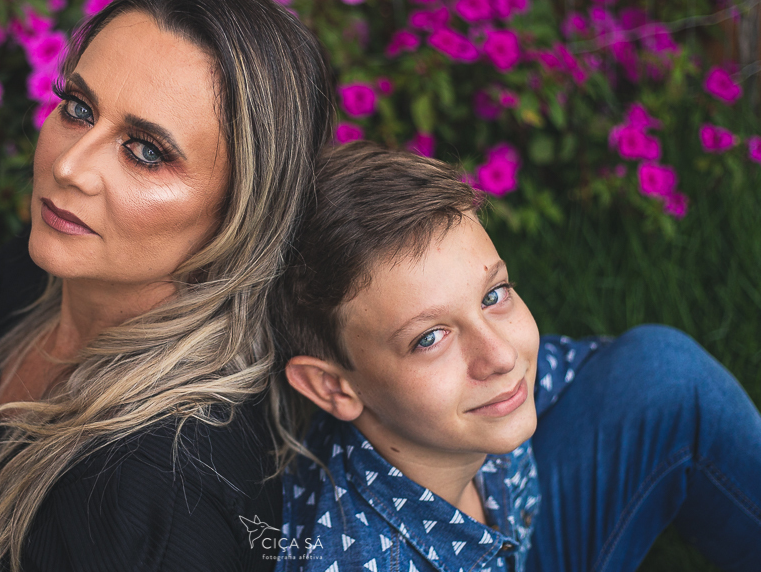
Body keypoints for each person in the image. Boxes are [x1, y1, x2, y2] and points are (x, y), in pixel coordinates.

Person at [0, 0, 336, 572]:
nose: (69, 166)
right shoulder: (48, 268)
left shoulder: (165, 489)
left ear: (244, 210)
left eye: (146, 151)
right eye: (79, 109)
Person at [270, 142, 761, 572]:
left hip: (516, 536)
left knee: (662, 373)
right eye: (430, 338)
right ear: (333, 387)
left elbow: (590, 373)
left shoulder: (469, 408)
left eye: (493, 295)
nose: (502, 356)